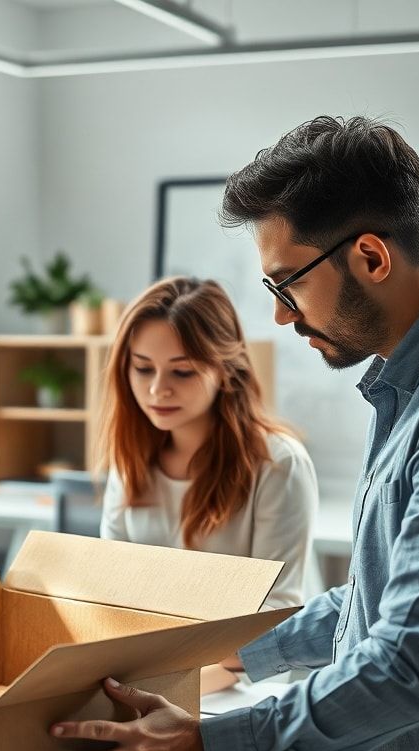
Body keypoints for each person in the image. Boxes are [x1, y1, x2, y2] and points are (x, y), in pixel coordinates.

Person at [41, 115, 419, 751]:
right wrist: (232, 650)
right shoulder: (412, 385)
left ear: (371, 256)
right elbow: (376, 598)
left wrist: (201, 746)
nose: (281, 315)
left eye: (288, 283)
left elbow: (409, 665)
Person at [99, 275, 317, 692]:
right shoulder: (129, 464)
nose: (157, 389)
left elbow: (277, 611)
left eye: (182, 372)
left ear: (225, 369)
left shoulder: (277, 464)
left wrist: (179, 681)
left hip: (247, 684)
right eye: (142, 368)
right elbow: (112, 595)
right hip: (147, 674)